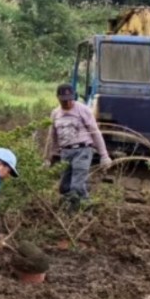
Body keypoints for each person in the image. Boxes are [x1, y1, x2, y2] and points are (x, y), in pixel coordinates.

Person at [47, 84, 112, 212]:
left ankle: (79, 214)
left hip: (83, 150)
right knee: (64, 187)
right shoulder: (55, 113)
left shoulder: (83, 110)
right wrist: (48, 158)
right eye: (64, 100)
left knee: (76, 185)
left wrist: (104, 155)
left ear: (74, 97)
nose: (67, 102)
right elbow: (52, 137)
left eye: (70, 99)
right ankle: (78, 209)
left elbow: (95, 132)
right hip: (65, 152)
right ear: (58, 98)